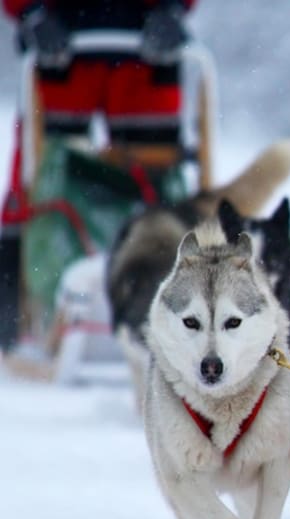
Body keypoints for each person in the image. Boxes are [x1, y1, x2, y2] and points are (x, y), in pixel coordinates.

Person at [0, 0, 198, 352]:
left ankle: (179, 309)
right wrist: (32, 13)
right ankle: (17, 316)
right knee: (41, 176)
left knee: (158, 183)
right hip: (59, 40)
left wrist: (173, 8)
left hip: (147, 47)